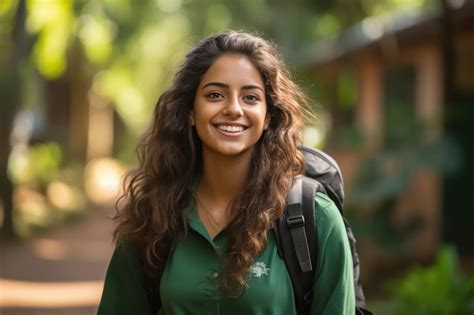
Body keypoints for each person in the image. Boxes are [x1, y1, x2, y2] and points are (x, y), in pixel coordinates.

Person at [98, 30, 355, 315]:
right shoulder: (153, 214)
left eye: (250, 97)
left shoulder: (313, 218)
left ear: (268, 115)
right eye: (215, 95)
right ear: (190, 112)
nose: (233, 109)